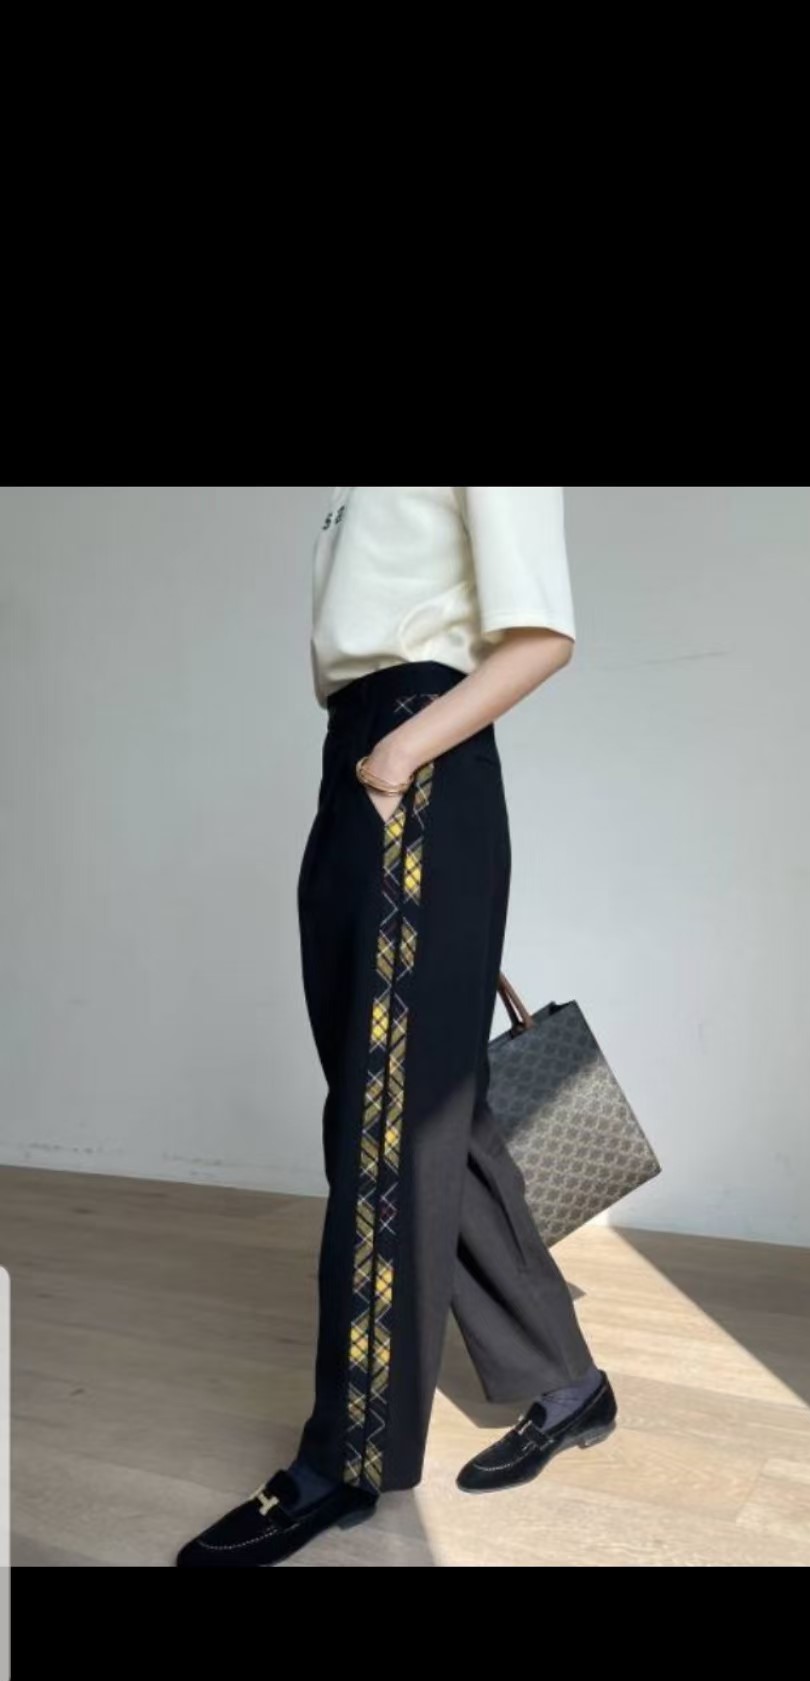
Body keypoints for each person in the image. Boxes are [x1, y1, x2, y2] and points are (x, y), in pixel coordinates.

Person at [178, 487, 616, 1567]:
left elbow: (543, 636)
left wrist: (399, 759)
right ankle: (567, 1382)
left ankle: (343, 1461)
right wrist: (373, 765)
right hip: (366, 759)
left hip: (409, 760)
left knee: (383, 1132)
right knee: (419, 1110)